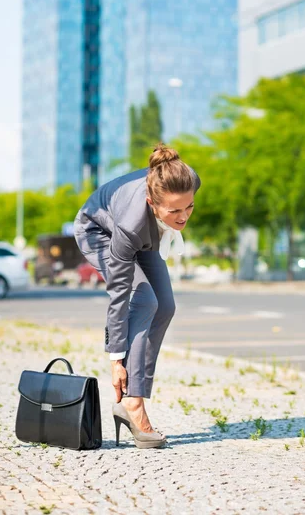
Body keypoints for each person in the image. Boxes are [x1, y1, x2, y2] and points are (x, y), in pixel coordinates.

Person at [74, 143, 201, 449]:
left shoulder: (188, 178)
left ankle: (133, 394)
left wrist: (169, 217)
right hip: (99, 231)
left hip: (148, 232)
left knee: (166, 306)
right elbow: (119, 295)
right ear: (152, 203)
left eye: (189, 207)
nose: (184, 217)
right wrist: (116, 359)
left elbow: (176, 206)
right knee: (144, 300)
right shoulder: (131, 225)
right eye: (175, 211)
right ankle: (134, 403)